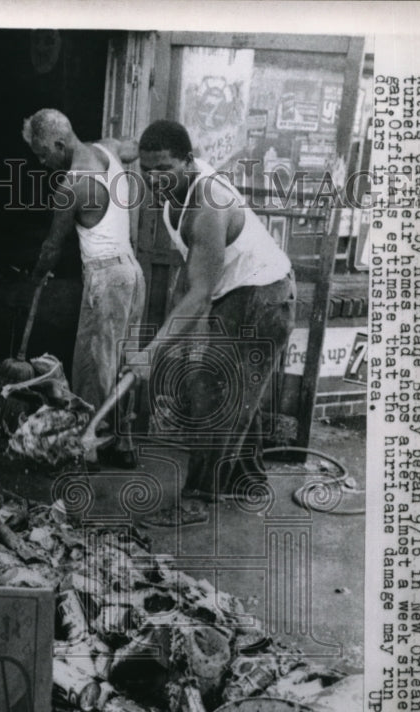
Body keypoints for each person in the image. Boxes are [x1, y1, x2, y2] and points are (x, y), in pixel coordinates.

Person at [126, 119, 296, 526]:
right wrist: (173, 332)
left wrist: (152, 351)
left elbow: (200, 292)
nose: (153, 179)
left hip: (265, 298)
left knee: (218, 394)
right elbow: (193, 272)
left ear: (187, 161)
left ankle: (197, 499)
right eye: (146, 171)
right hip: (236, 292)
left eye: (163, 169)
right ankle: (248, 482)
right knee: (233, 392)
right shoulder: (172, 198)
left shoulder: (209, 205)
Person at [22, 108, 146, 468]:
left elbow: (51, 247)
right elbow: (135, 147)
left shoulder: (71, 186)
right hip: (133, 273)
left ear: (59, 145)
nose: (43, 164)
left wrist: (33, 278)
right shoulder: (108, 150)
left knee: (94, 366)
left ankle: (87, 451)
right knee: (124, 363)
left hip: (107, 277)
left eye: (44, 155)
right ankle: (123, 445)